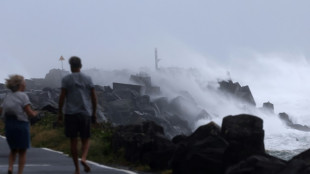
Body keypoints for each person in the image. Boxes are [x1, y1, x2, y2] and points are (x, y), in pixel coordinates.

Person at [58, 56, 97, 174]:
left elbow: (62, 97)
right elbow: (94, 97)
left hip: (70, 114)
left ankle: (77, 169)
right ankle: (84, 158)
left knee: (73, 141)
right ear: (81, 65)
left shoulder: (66, 79)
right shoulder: (88, 78)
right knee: (86, 138)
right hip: (85, 113)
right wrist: (94, 113)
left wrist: (60, 112)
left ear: (70, 66)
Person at [0, 75, 37, 174]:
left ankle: (10, 167)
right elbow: (28, 111)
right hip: (21, 124)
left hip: (9, 125)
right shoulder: (23, 96)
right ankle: (19, 172)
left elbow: (1, 110)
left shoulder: (8, 96)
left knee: (13, 150)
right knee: (22, 151)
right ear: (20, 85)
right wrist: (35, 114)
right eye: (24, 82)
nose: (25, 83)